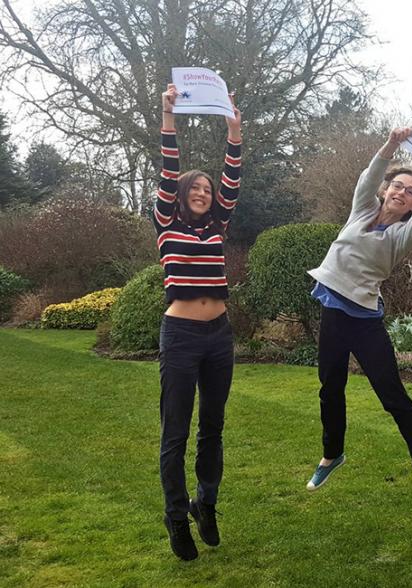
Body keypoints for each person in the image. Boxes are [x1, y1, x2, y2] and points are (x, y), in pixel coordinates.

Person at [306, 127, 412, 517]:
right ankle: (332, 456)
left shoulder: (402, 234)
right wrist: (393, 142)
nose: (400, 192)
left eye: (410, 191)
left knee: (394, 398)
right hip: (333, 310)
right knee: (330, 388)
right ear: (385, 189)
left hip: (364, 319)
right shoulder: (361, 210)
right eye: (396, 185)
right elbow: (368, 175)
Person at [154, 83, 242, 560]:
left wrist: (234, 132)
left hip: (219, 335)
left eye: (207, 188)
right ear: (182, 196)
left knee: (213, 426)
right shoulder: (166, 221)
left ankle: (204, 503)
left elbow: (232, 179)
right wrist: (168, 118)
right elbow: (169, 171)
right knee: (176, 431)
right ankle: (174, 518)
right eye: (197, 188)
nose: (204, 192)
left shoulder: (217, 226)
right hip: (182, 335)